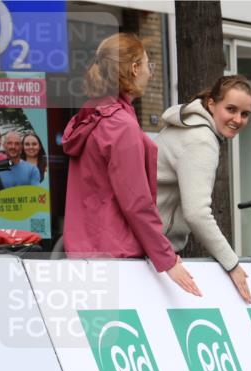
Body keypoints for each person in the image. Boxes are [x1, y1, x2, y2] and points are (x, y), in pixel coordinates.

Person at [62, 32, 200, 297]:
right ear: (134, 69)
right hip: (117, 259)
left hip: (85, 253)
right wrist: (167, 259)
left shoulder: (92, 117)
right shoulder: (120, 125)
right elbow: (137, 202)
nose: (150, 72)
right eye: (149, 64)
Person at [156, 75, 251, 303]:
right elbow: (197, 213)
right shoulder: (201, 140)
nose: (238, 119)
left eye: (245, 113)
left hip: (146, 244)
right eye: (231, 109)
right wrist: (232, 263)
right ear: (211, 104)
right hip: (148, 247)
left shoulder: (190, 127)